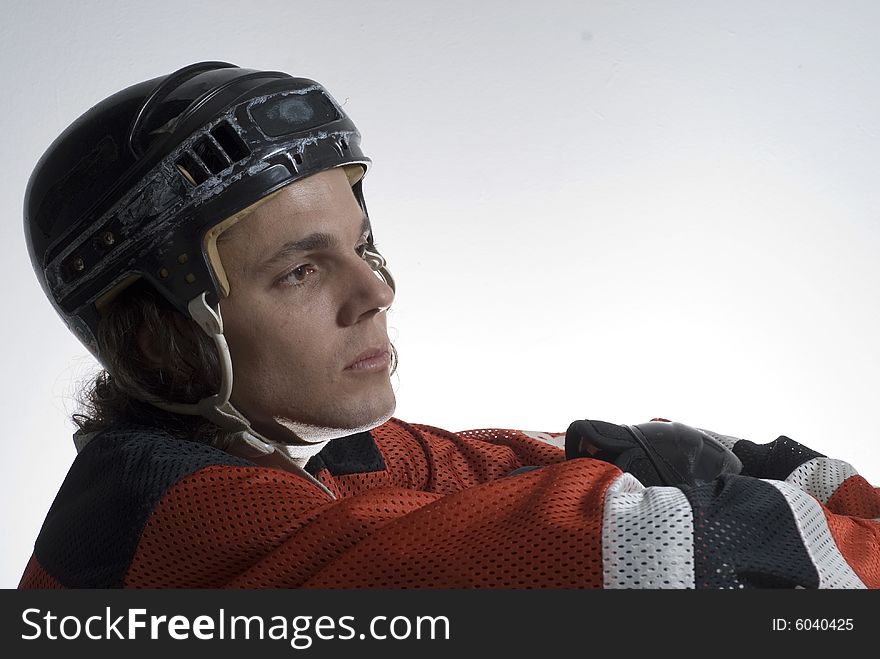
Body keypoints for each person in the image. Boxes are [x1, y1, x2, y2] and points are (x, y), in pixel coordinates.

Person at [19, 61, 880, 589]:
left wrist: (722, 464)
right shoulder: (179, 522)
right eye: (302, 270)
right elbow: (700, 560)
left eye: (362, 246)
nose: (375, 291)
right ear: (158, 339)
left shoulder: (297, 446)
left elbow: (548, 458)